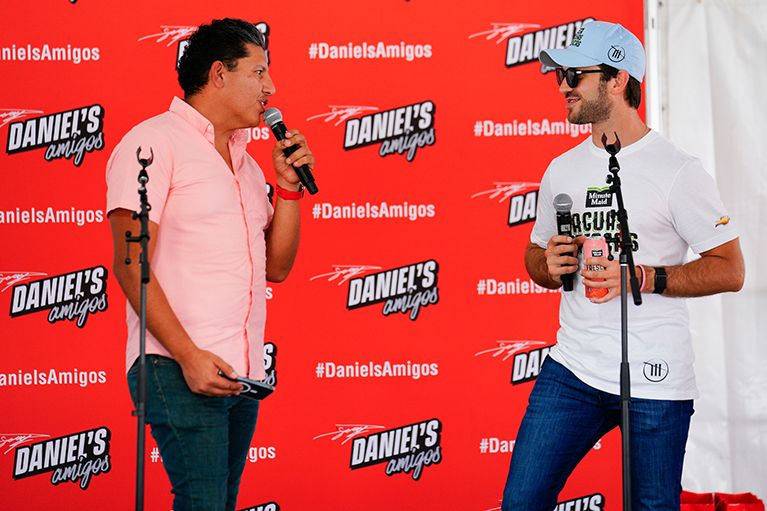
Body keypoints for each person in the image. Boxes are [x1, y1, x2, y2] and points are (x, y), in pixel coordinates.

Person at [501, 21, 745, 511]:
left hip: (656, 376)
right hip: (572, 370)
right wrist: (547, 264)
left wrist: (643, 277)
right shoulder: (561, 169)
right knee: (520, 504)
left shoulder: (677, 170)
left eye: (574, 75)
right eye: (559, 76)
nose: (563, 86)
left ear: (617, 80)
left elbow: (730, 269)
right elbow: (534, 255)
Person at [106, 18, 313, 511]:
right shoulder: (152, 143)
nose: (271, 87)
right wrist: (189, 356)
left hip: (239, 374)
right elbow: (131, 262)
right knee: (202, 502)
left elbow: (276, 268)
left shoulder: (247, 162)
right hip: (177, 365)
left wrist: (287, 189)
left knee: (219, 502)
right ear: (219, 74)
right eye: (259, 72)